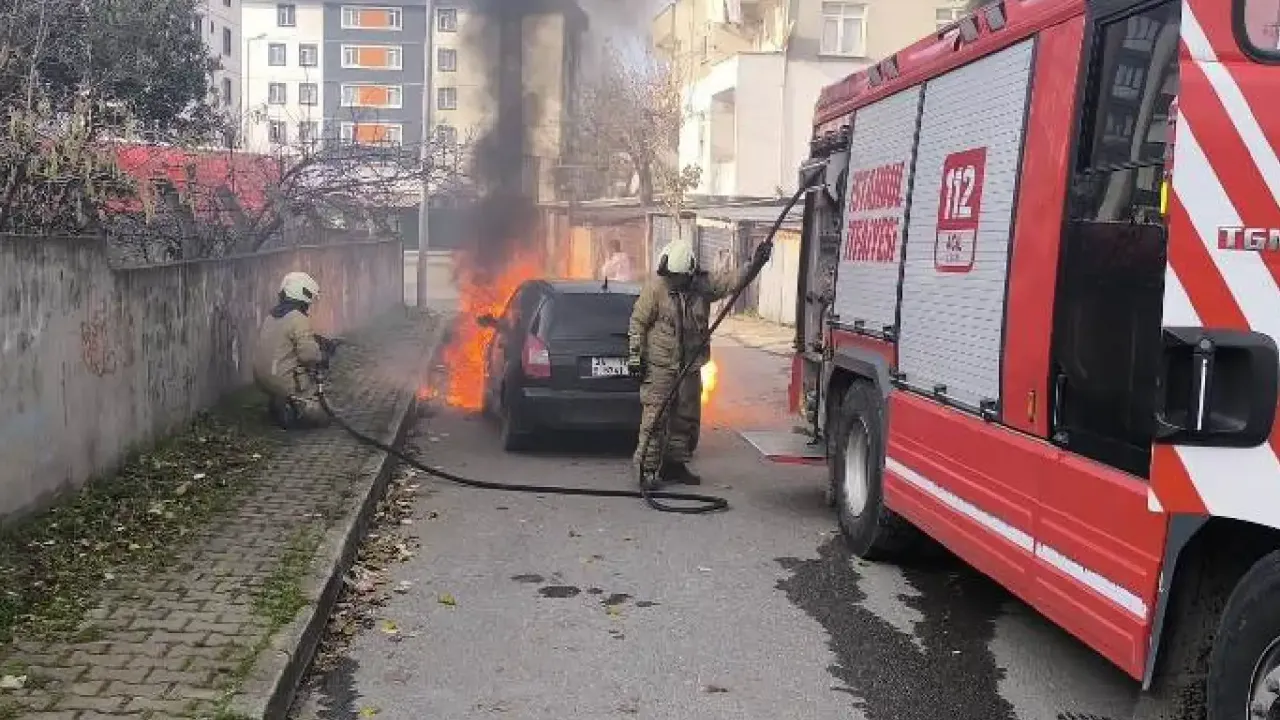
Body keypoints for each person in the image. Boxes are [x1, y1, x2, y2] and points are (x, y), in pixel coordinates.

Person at [627, 238, 771, 488]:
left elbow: (732, 282)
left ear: (689, 273)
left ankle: (674, 465)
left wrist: (755, 263)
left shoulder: (703, 286)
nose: (673, 281)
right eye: (670, 276)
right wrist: (635, 356)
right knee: (654, 419)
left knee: (685, 419)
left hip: (690, 366)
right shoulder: (655, 289)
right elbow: (638, 323)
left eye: (677, 277)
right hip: (661, 366)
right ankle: (646, 472)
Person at [253, 271, 331, 430]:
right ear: (303, 295)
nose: (309, 304)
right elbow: (308, 355)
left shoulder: (271, 316)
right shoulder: (298, 318)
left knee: (288, 365)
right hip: (282, 379)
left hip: (262, 378)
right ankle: (294, 409)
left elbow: (285, 341)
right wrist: (323, 355)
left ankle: (279, 402)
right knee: (323, 415)